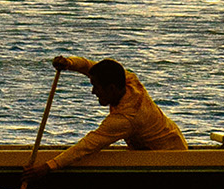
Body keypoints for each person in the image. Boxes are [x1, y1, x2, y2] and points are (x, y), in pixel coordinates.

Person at [44, 55, 187, 165]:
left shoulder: (126, 118)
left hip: (169, 157)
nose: (93, 92)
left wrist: (49, 166)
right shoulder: (128, 79)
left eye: (96, 87)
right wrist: (68, 63)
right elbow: (89, 67)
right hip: (167, 141)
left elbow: (87, 146)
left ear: (111, 88)